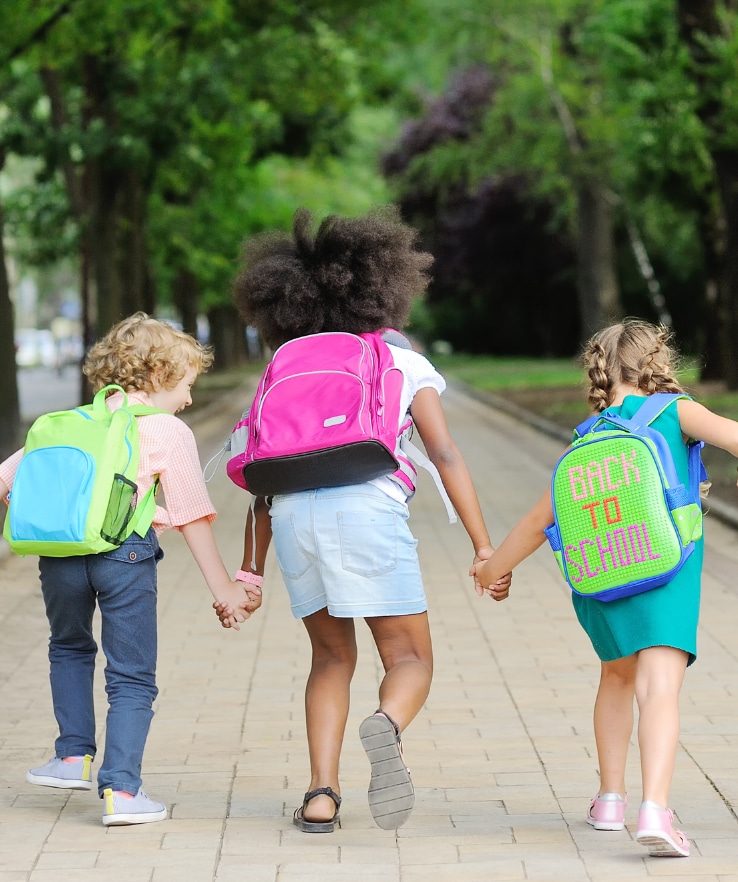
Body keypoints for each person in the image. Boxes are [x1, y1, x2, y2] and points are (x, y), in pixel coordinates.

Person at [214, 207, 510, 833]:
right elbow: (445, 452)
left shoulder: (285, 365)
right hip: (369, 510)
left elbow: (261, 477)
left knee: (329, 659)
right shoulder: (397, 359)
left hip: (295, 519)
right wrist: (485, 547)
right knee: (407, 660)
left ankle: (321, 794)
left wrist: (249, 572)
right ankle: (387, 724)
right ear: (384, 288)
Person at [471, 319, 738, 859]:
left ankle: (610, 800)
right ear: (657, 362)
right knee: (659, 685)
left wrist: (493, 567)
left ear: (600, 370)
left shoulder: (588, 433)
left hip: (602, 576)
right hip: (667, 569)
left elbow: (539, 518)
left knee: (616, 677)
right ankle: (655, 809)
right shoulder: (676, 409)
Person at [0, 313, 260, 827]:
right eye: (186, 384)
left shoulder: (70, 422)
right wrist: (226, 590)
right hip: (125, 559)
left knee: (69, 648)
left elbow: (7, 481)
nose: (188, 397)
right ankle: (121, 790)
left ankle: (72, 757)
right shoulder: (166, 429)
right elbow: (193, 517)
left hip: (60, 559)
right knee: (132, 676)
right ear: (160, 375)